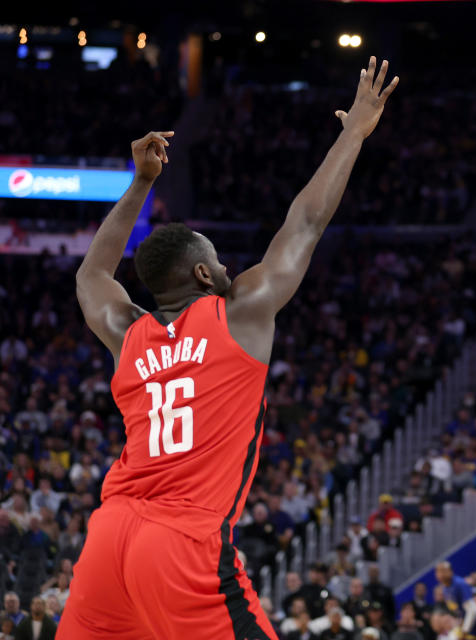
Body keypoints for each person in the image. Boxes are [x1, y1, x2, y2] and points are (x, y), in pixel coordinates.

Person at [57, 57, 399, 640]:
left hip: (108, 539)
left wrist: (140, 182)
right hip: (182, 544)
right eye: (218, 258)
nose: (228, 265)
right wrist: (353, 132)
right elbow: (307, 222)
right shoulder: (238, 313)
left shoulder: (128, 334)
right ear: (203, 274)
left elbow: (91, 276)